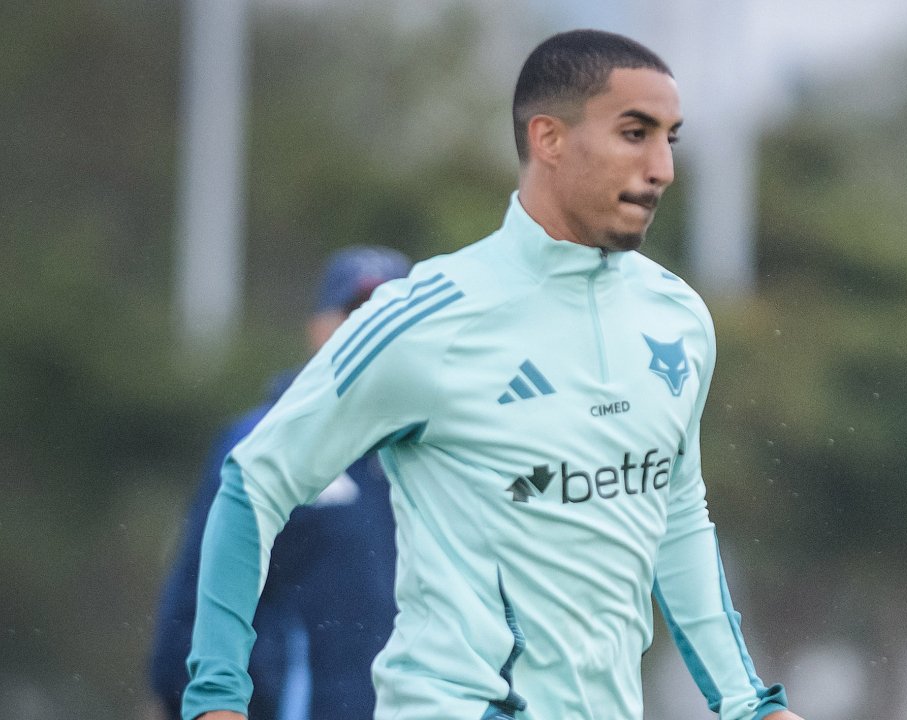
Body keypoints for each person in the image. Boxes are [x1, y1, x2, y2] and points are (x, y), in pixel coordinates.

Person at [183, 29, 803, 720]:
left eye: (671, 139)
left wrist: (749, 703)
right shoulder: (423, 318)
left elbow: (678, 519)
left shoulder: (678, 317)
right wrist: (216, 697)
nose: (662, 167)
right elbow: (253, 481)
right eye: (635, 133)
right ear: (549, 139)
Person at [150, 246, 413, 720]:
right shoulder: (260, 442)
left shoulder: (437, 447)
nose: (371, 329)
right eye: (354, 313)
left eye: (389, 314)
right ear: (317, 328)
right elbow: (197, 596)